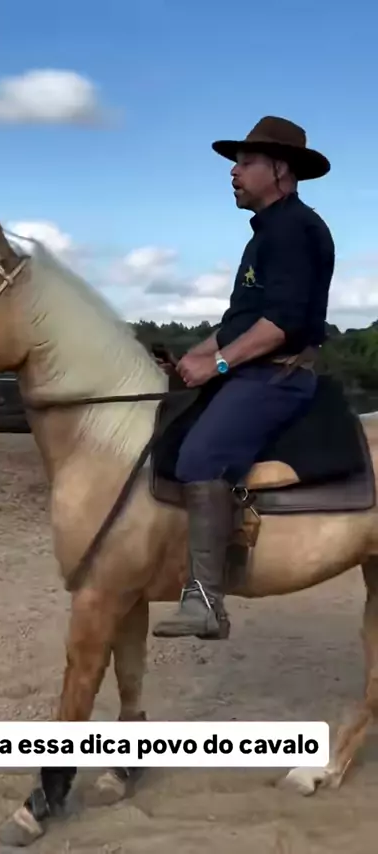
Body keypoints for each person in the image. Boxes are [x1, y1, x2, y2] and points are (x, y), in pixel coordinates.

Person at [152, 116, 335, 641]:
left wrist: (218, 364)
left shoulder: (297, 230)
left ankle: (205, 600)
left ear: (281, 169)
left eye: (246, 162)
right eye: (235, 163)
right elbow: (239, 321)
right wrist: (195, 356)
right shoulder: (265, 234)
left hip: (278, 377)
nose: (233, 172)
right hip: (253, 368)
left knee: (201, 456)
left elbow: (280, 324)